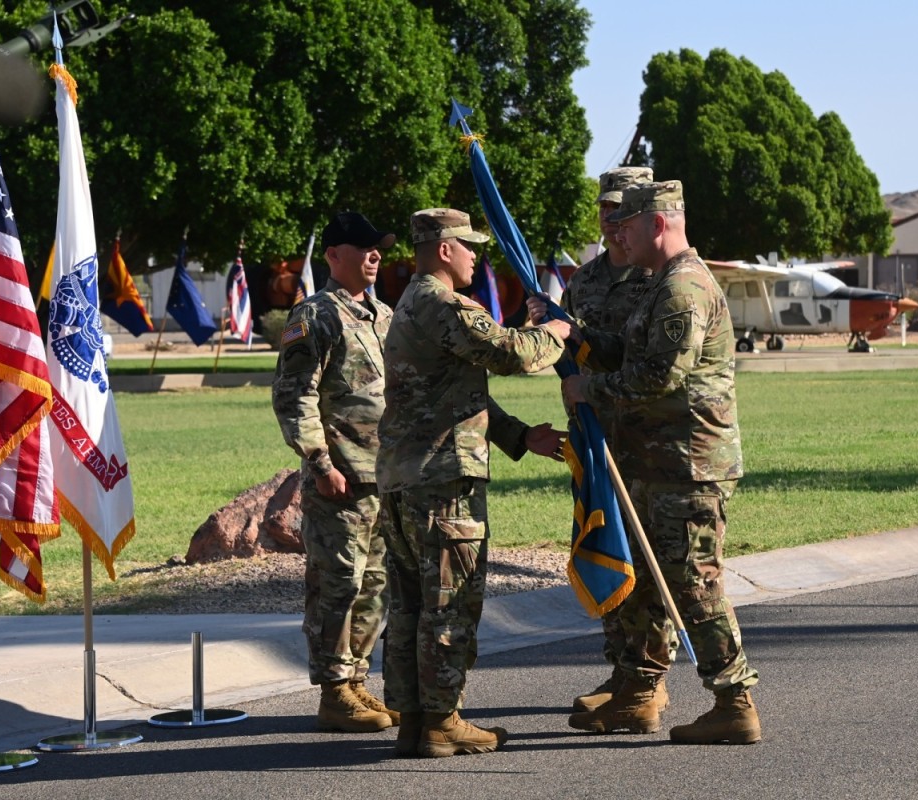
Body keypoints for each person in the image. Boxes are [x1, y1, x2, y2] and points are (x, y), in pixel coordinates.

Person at [537, 181, 762, 744]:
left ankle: (734, 701)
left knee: (694, 584)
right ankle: (638, 693)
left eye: (628, 225)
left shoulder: (683, 288)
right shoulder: (662, 283)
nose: (618, 235)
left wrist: (589, 388)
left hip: (687, 465)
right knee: (646, 582)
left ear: (657, 224)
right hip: (652, 460)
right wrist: (577, 337)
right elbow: (633, 352)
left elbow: (660, 376)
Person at [377, 208, 571, 758]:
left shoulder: (408, 305)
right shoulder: (444, 305)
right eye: (468, 246)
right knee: (450, 602)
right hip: (441, 480)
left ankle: (415, 719)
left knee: (412, 604)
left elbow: (452, 391)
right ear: (443, 248)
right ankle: (443, 720)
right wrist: (555, 330)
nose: (474, 256)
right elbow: (508, 353)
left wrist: (515, 435)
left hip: (404, 478)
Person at [271, 211, 402, 733]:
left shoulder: (383, 316)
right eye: (364, 247)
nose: (375, 256)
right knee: (337, 583)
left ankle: (354, 681)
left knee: (375, 584)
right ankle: (332, 689)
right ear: (333, 255)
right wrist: (320, 462)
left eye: (379, 248)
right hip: (339, 480)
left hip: (383, 478)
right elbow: (293, 396)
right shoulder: (315, 315)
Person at [559, 166, 678, 716]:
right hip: (600, 436)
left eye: (621, 211)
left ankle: (649, 678)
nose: (611, 221)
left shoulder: (664, 278)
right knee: (611, 547)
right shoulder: (583, 282)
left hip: (651, 440)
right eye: (605, 209)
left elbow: (658, 367)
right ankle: (623, 670)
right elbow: (581, 352)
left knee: (649, 563)